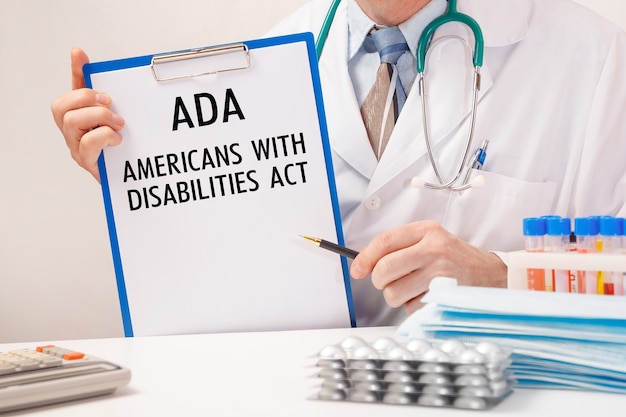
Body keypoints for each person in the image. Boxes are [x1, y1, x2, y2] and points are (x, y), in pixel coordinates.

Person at [51, 0, 626, 327]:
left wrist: (498, 274)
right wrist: (141, 177)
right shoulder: (264, 62)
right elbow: (231, 284)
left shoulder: (592, 56)